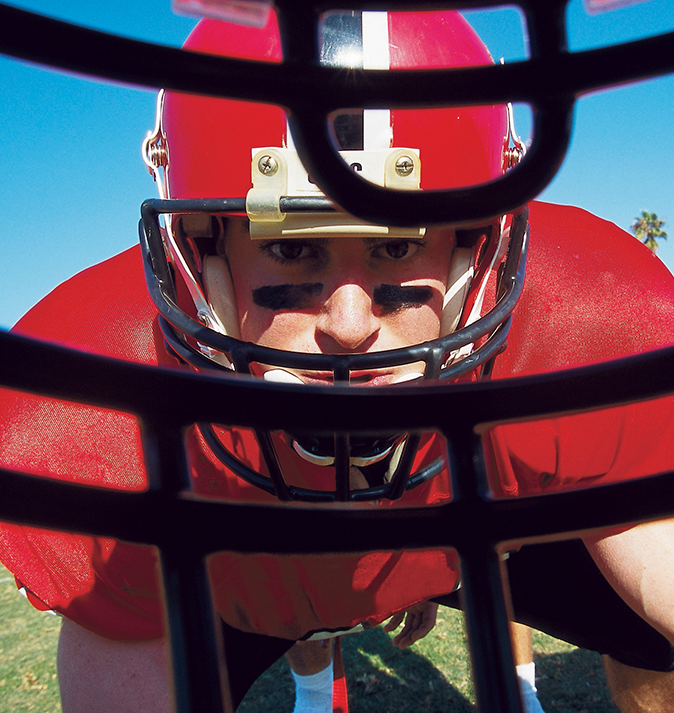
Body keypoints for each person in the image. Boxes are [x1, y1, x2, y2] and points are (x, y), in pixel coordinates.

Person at [1, 9, 674, 713]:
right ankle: (317, 686)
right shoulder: (93, 412)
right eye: (294, 248)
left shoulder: (587, 322)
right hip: (245, 566)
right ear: (200, 258)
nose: (350, 327)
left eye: (395, 246)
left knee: (654, 638)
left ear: (478, 250)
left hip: (470, 513)